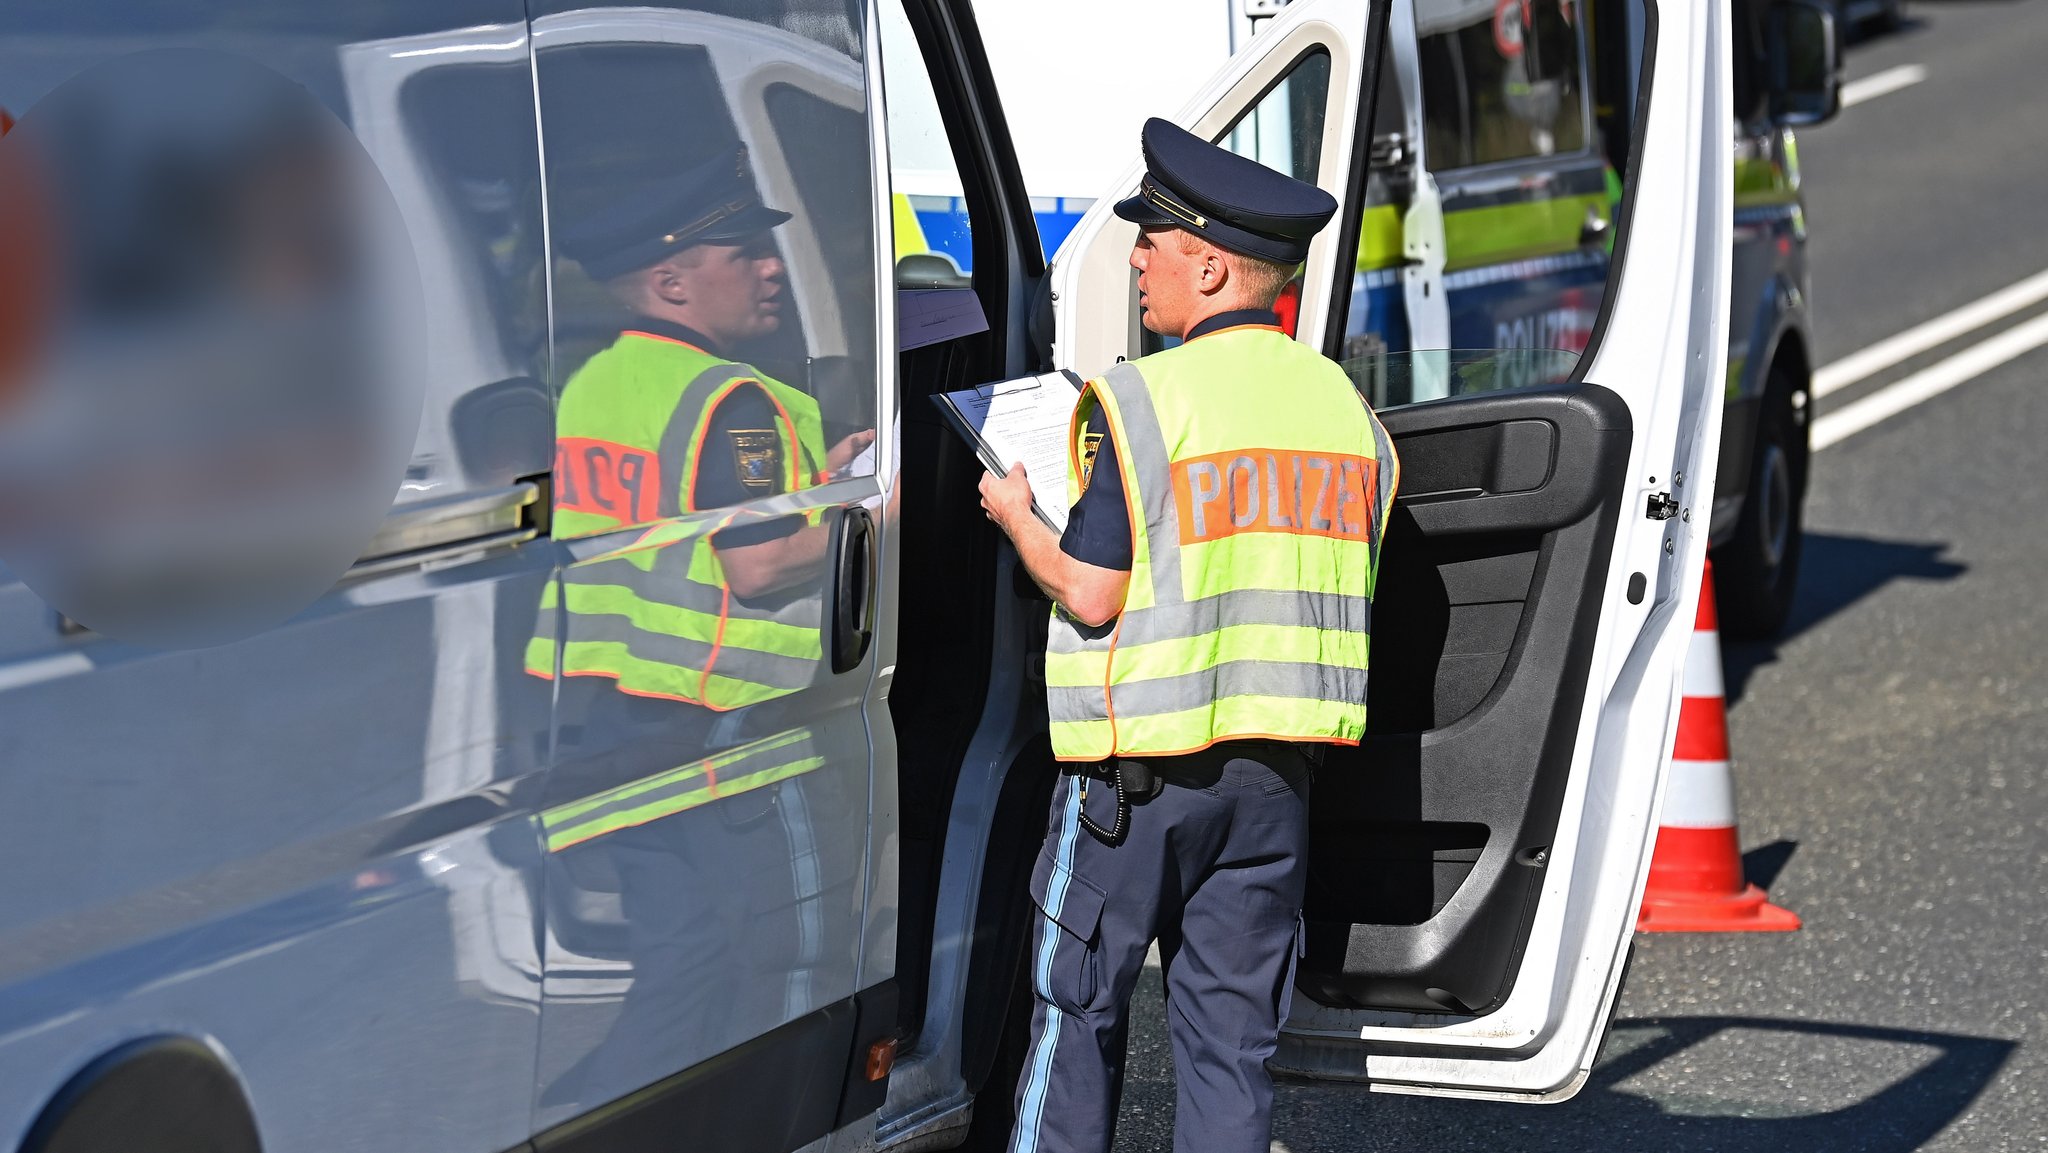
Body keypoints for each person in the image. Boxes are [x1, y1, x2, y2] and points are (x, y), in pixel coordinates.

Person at [977, 118, 1400, 1153]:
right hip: (1270, 788)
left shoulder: (1140, 399)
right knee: (1229, 1047)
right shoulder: (1348, 414)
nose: (1135, 261)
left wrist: (1014, 514)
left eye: (1150, 244)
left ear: (1209, 265)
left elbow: (1089, 590)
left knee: (1074, 1023)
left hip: (1134, 789)